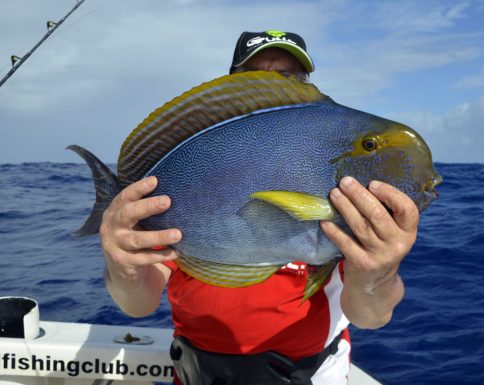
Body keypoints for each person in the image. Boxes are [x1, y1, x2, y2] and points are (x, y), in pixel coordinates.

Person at [99, 31, 419, 385]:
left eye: (288, 78)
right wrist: (120, 264)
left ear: (306, 85)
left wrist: (380, 271)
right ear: (236, 86)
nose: (271, 86)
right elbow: (138, 303)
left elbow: (370, 315)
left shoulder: (338, 178)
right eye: (255, 76)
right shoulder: (203, 162)